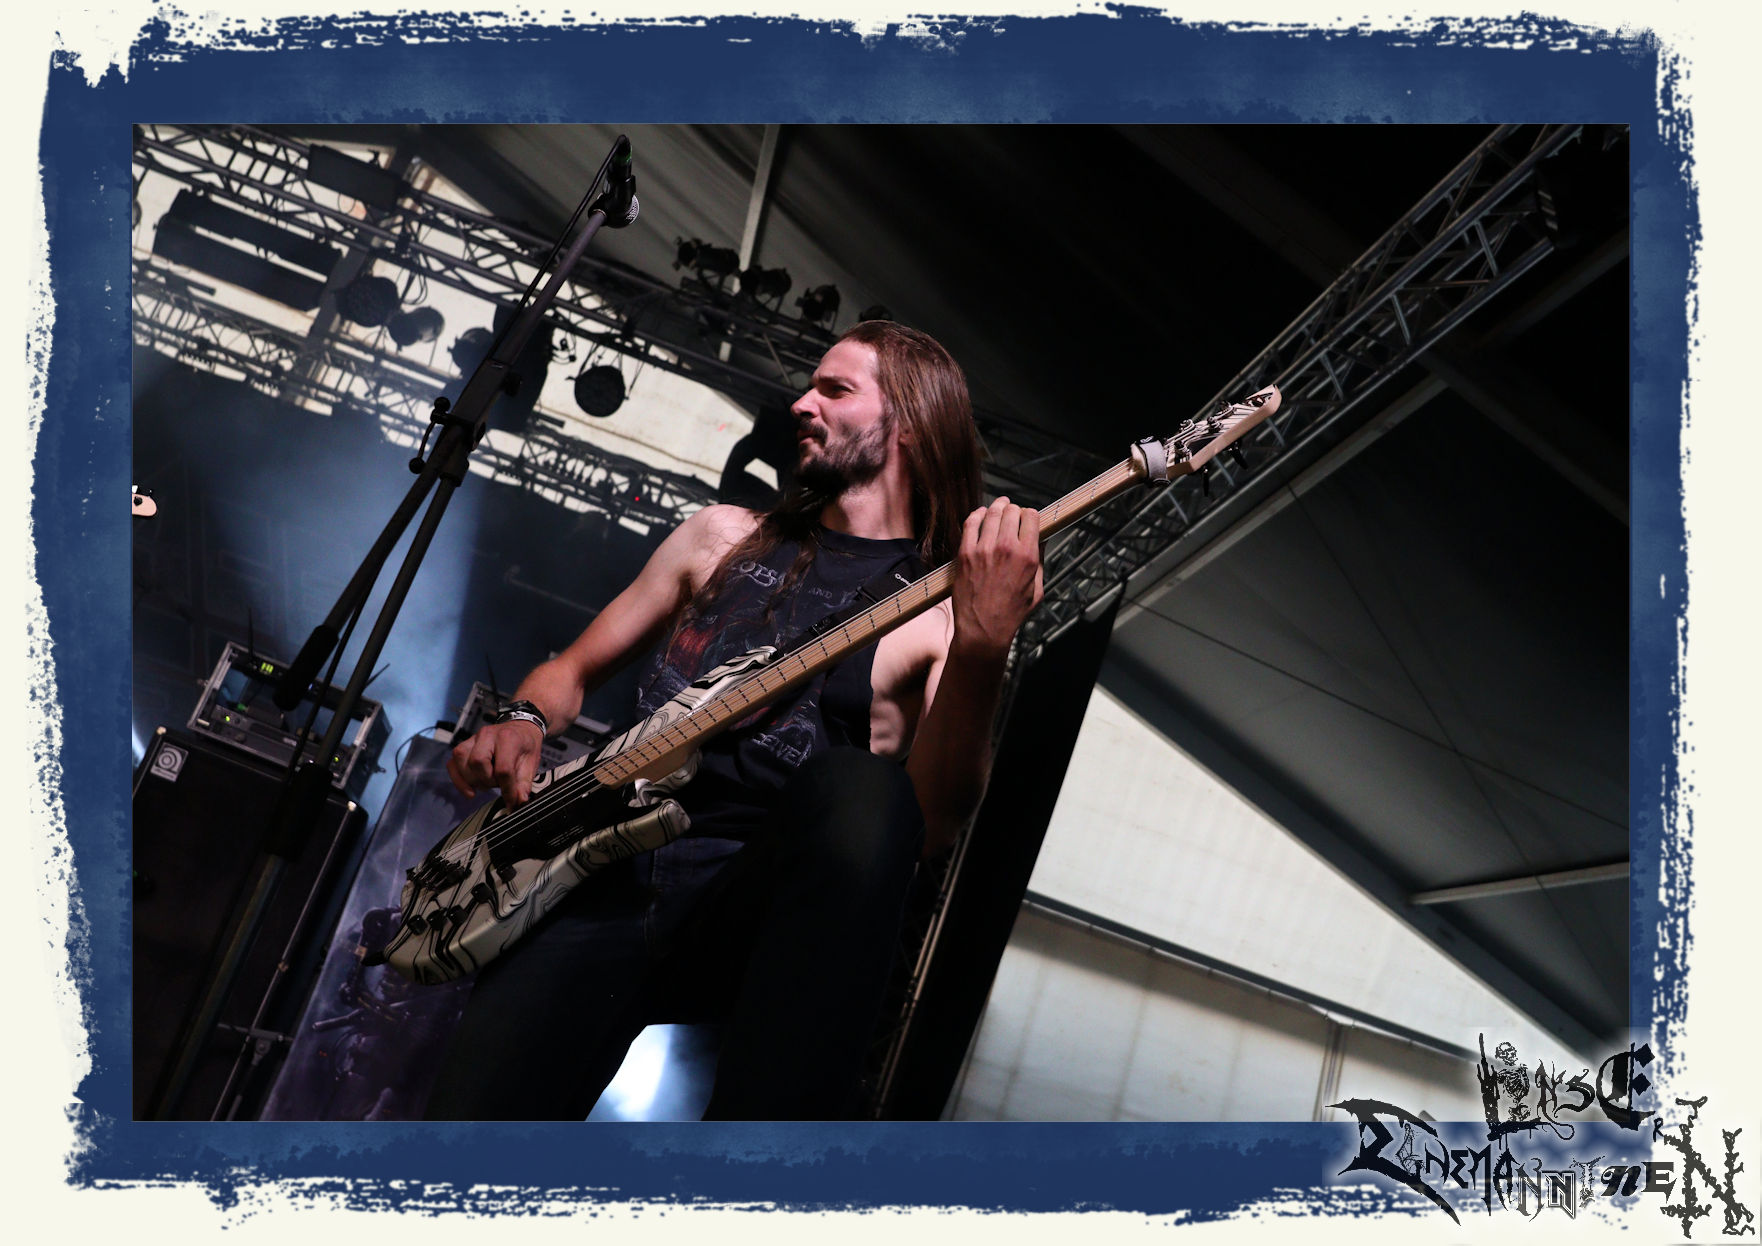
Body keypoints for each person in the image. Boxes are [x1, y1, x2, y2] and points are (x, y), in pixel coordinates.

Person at [423, 320, 1042, 1120]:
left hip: (751, 905)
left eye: (835, 390)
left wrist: (984, 650)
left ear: (911, 424)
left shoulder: (939, 615)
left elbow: (931, 823)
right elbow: (570, 672)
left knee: (864, 790)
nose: (802, 404)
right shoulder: (719, 535)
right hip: (598, 874)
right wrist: (523, 717)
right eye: (809, 387)